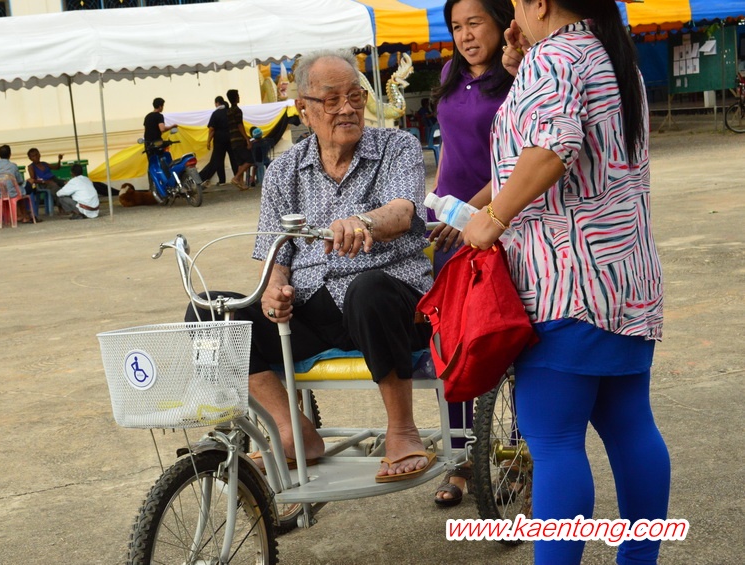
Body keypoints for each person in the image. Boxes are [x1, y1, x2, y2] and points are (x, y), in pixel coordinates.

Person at [463, 1, 669, 563]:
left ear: (540, 3)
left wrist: (493, 217)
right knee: (631, 427)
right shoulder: (610, 55)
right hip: (625, 281)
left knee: (554, 442)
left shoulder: (554, 58)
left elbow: (552, 148)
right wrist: (522, 64)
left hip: (564, 283)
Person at [186, 50, 436, 481]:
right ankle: (291, 430)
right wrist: (274, 288)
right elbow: (276, 251)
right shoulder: (284, 170)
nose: (348, 109)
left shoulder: (397, 147)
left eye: (355, 96)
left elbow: (402, 212)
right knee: (207, 312)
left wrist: (364, 222)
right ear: (303, 109)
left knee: (368, 288)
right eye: (332, 99)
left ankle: (402, 429)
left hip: (390, 305)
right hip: (313, 309)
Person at [427, 0, 515, 507]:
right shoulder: (449, 72)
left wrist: (470, 213)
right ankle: (460, 461)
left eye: (475, 23)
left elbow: (515, 165)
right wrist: (440, 203)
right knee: (454, 346)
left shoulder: (516, 76)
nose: (465, 35)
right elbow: (448, 150)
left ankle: (520, 454)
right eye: (457, 26)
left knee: (510, 343)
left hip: (499, 222)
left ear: (501, 22)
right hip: (448, 228)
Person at [0, 144, 40, 223]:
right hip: (13, 193)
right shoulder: (13, 166)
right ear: (10, 154)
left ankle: (20, 215)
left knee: (18, 191)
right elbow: (20, 181)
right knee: (27, 185)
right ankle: (26, 215)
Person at [199, 96, 232, 187]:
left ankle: (222, 181)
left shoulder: (216, 113)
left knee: (219, 160)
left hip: (219, 140)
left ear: (217, 103)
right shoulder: (229, 112)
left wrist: (208, 141)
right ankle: (238, 178)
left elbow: (212, 129)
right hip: (230, 138)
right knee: (233, 159)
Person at [225, 89, 253, 190]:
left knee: (240, 162)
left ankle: (241, 184)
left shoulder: (228, 111)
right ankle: (236, 178)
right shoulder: (237, 110)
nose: (239, 97)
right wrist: (247, 139)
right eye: (238, 95)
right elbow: (239, 125)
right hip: (239, 139)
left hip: (232, 139)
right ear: (235, 98)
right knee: (250, 159)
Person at [26, 148, 65, 214]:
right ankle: (60, 207)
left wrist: (59, 160)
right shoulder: (31, 167)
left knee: (66, 184)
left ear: (39, 155)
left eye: (37, 155)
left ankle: (70, 205)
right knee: (55, 187)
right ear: (30, 158)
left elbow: (57, 167)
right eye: (33, 156)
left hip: (53, 179)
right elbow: (33, 180)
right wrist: (43, 182)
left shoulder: (44, 164)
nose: (36, 157)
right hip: (43, 183)